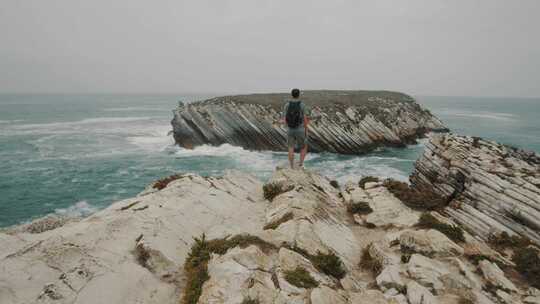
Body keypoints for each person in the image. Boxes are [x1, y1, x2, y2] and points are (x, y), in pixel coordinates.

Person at [283, 88, 310, 169]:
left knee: (291, 147)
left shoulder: (287, 105)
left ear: (292, 95)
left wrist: (287, 127)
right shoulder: (302, 105)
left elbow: (284, 118)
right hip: (300, 129)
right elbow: (305, 119)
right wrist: (306, 129)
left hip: (290, 129)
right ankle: (300, 164)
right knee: (303, 147)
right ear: (299, 95)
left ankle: (291, 166)